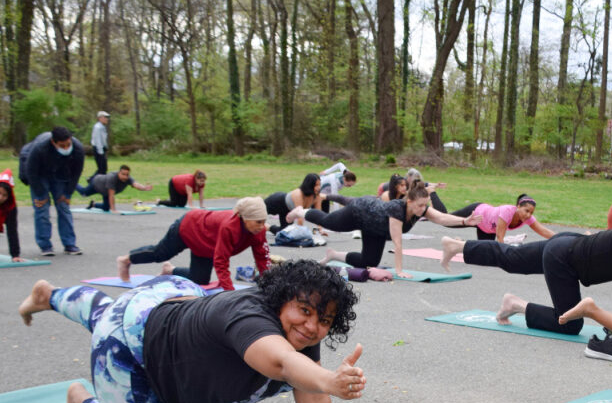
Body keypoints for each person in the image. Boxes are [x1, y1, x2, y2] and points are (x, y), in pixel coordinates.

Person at [17, 261, 379, 403]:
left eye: (325, 320)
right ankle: (82, 400)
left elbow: (308, 388)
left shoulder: (299, 331)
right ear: (280, 298)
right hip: (136, 347)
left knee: (112, 313)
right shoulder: (249, 318)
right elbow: (282, 364)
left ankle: (52, 295)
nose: (313, 326)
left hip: (171, 298)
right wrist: (331, 380)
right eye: (304, 310)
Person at [439, 213, 612, 362]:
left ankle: (461, 247)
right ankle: (513, 302)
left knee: (514, 260)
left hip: (568, 246)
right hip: (565, 259)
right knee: (570, 324)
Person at [286, 180, 480, 279]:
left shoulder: (420, 209)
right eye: (420, 205)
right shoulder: (398, 209)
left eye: (425, 205)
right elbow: (397, 242)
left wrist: (465, 221)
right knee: (330, 222)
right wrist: (399, 271)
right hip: (359, 211)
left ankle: (333, 254)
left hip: (374, 228)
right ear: (410, 201)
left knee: (368, 261)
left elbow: (441, 217)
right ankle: (301, 211)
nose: (423, 209)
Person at [116, 196, 271, 290]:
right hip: (189, 227)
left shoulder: (259, 231)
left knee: (200, 280)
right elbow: (221, 261)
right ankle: (126, 260)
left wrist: (269, 285)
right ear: (245, 218)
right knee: (160, 253)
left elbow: (262, 258)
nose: (261, 226)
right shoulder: (230, 227)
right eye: (258, 221)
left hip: (207, 245)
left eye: (264, 221)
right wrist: (228, 291)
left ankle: (170, 269)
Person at [18, 126, 86, 256]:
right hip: (39, 174)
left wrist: (68, 193)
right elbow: (31, 172)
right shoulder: (39, 148)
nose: (66, 148)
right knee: (42, 207)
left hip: (60, 173)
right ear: (53, 142)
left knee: (63, 206)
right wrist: (39, 194)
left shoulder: (77, 148)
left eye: (68, 144)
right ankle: (45, 245)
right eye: (62, 145)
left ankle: (69, 244)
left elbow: (76, 173)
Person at [448, 194, 555, 242]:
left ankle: (459, 242)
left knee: (483, 254)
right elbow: (500, 238)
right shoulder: (507, 212)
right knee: (445, 220)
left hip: (486, 229)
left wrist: (564, 239)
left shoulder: (527, 218)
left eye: (531, 212)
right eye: (526, 211)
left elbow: (544, 231)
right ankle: (431, 196)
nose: (528, 215)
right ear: (518, 206)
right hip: (476, 212)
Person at [77, 165, 153, 212]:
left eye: (127, 174)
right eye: (123, 174)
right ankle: (72, 184)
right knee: (83, 193)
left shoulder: (128, 178)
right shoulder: (112, 178)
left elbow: (135, 184)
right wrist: (113, 210)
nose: (125, 177)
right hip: (96, 184)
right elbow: (111, 195)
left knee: (106, 208)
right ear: (119, 173)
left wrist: (144, 188)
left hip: (105, 191)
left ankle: (93, 204)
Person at [0, 169, 23, 261]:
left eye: (4, 195)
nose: (0, 198)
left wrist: (15, 255)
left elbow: (12, 230)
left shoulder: (11, 206)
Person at [89, 111, 110, 178]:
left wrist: (106, 148)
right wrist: (101, 152)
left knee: (103, 168)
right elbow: (97, 140)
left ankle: (91, 179)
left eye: (107, 117)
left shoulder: (102, 127)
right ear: (100, 118)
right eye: (105, 117)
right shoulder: (97, 127)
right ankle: (92, 180)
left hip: (101, 149)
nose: (107, 119)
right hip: (98, 149)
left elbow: (103, 139)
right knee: (102, 169)